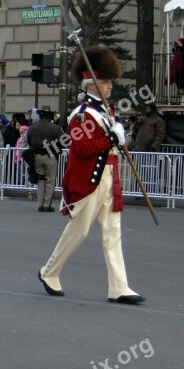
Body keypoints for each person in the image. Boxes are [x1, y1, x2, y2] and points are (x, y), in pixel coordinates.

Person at [39, 46, 145, 305]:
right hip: (89, 179)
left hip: (109, 176)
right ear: (92, 85)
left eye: (110, 82)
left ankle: (119, 287)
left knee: (113, 232)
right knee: (79, 231)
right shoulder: (83, 114)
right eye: (105, 82)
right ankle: (49, 271)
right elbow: (82, 148)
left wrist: (117, 139)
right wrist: (110, 137)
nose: (110, 87)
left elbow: (106, 145)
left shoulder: (106, 112)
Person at [27, 106, 64, 212]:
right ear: (50, 117)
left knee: (40, 180)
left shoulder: (33, 127)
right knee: (50, 180)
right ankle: (47, 205)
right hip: (51, 156)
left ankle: (40, 204)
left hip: (37, 156)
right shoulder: (55, 128)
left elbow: (29, 141)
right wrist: (56, 149)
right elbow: (63, 142)